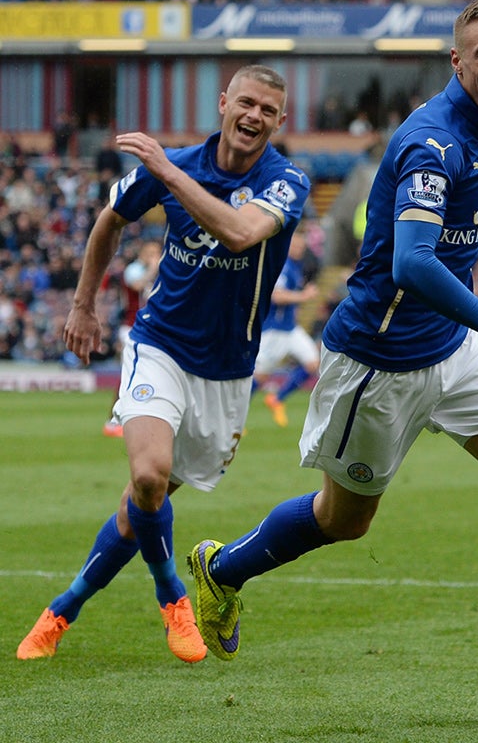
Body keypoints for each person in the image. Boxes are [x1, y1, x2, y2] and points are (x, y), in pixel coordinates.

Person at [187, 0, 478, 724]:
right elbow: (411, 263)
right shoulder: (432, 144)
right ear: (457, 61)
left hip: (452, 346)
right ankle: (221, 569)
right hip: (380, 363)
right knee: (345, 521)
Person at [16, 65, 311, 662]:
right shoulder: (174, 165)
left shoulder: (286, 182)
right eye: (246, 103)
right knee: (150, 477)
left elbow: (238, 233)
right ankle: (173, 595)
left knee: (140, 502)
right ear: (224, 103)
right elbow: (110, 221)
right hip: (161, 346)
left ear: (280, 122)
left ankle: (62, 609)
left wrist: (169, 171)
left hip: (228, 371)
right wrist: (83, 305)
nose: (254, 117)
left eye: (268, 110)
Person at [253, 224, 321, 427]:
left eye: (302, 246)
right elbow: (276, 296)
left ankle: (276, 399)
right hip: (274, 330)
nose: (300, 249)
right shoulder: (283, 265)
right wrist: (304, 296)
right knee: (261, 376)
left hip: (290, 328)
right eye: (296, 245)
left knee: (312, 363)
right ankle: (232, 417)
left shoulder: (295, 266)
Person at [103, 237, 163, 438]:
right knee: (128, 374)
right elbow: (137, 286)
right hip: (131, 327)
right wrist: (153, 269)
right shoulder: (134, 269)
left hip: (154, 328)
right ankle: (113, 420)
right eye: (151, 253)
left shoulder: (160, 271)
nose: (155, 257)